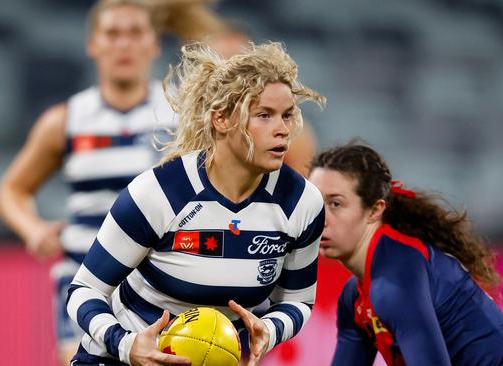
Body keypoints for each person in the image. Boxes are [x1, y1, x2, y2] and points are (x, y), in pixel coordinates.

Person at [66, 41, 326, 366]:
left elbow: (299, 302)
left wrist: (269, 329)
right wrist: (126, 345)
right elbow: (82, 291)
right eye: (264, 115)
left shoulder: (302, 203)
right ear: (222, 120)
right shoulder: (159, 193)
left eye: (287, 115)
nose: (283, 130)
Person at [0, 1, 175, 364]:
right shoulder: (66, 120)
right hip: (84, 277)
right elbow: (12, 190)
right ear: (93, 44)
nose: (124, 44)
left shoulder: (180, 114)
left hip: (157, 281)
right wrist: (33, 229)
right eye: (112, 34)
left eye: (135, 33)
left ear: (154, 44)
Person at [308, 143, 503, 366]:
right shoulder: (354, 298)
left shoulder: (394, 282)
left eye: (336, 204)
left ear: (374, 210)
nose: (321, 218)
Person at [206, 21, 320, 177]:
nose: (229, 72)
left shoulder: (289, 132)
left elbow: (302, 190)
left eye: (238, 61)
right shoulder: (174, 121)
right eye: (221, 61)